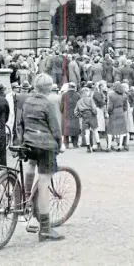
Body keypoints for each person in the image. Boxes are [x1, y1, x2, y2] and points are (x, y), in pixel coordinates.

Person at [21, 73, 64, 241]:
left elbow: (22, 123)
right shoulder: (47, 104)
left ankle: (26, 197)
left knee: (31, 164)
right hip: (45, 145)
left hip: (29, 141)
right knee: (45, 182)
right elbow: (55, 128)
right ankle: (45, 227)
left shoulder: (27, 101)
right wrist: (59, 145)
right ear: (49, 88)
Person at [74, 87, 101, 152]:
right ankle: (98, 145)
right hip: (91, 115)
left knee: (86, 132)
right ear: (86, 92)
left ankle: (88, 147)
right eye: (88, 91)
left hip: (84, 116)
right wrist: (95, 113)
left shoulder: (79, 101)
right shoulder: (90, 99)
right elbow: (94, 108)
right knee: (95, 130)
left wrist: (80, 115)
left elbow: (75, 112)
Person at [106, 81, 128, 151]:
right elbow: (125, 107)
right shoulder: (124, 95)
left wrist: (109, 112)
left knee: (110, 130)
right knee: (121, 130)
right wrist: (122, 110)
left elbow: (110, 107)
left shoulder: (111, 95)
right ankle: (120, 145)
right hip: (121, 112)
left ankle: (109, 146)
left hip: (113, 113)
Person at [60, 83, 81, 148]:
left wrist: (62, 111)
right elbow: (80, 105)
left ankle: (66, 144)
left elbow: (61, 106)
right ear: (74, 87)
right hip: (75, 115)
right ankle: (75, 144)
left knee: (66, 130)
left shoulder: (64, 95)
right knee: (75, 130)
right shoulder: (77, 95)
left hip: (66, 114)